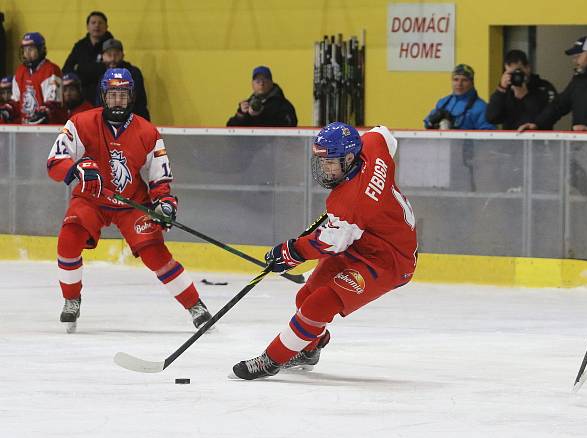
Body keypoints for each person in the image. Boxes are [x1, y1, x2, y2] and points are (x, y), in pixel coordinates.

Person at [230, 122, 418, 380]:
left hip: (389, 260)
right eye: (322, 160)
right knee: (305, 297)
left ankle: (271, 360)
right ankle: (310, 348)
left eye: (330, 162)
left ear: (350, 157)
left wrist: (290, 252)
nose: (325, 168)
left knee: (319, 304)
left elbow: (331, 243)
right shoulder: (373, 145)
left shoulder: (350, 201)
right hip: (364, 241)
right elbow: (385, 132)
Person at [45, 68, 213, 333]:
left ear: (131, 97)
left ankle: (195, 306)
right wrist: (77, 168)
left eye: (123, 95)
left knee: (155, 254)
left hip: (130, 202)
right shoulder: (80, 123)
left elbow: (160, 179)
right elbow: (54, 162)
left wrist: (164, 204)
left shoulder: (148, 132)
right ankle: (71, 299)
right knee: (69, 238)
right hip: (92, 198)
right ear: (103, 96)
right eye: (112, 95)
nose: (118, 101)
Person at [525, 36, 587, 131]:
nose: (575, 60)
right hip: (581, 139)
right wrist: (537, 124)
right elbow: (560, 104)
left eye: (578, 56)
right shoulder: (579, 77)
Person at [485, 50, 557, 130]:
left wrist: (526, 96)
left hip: (538, 138)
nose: (516, 76)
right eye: (511, 73)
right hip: (512, 139)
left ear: (528, 68)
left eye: (518, 71)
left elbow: (551, 115)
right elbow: (491, 118)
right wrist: (501, 89)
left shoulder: (544, 87)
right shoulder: (506, 90)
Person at [12, 32, 66, 125]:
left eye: (31, 49)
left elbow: (53, 104)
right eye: (25, 49)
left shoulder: (51, 70)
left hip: (49, 129)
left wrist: (43, 113)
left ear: (41, 49)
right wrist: (8, 109)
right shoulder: (20, 71)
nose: (27, 53)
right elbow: (16, 102)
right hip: (26, 128)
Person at [63, 11, 114, 106]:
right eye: (93, 23)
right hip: (82, 95)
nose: (97, 26)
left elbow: (110, 70)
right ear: (87, 27)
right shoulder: (80, 46)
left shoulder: (112, 46)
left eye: (100, 23)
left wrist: (82, 71)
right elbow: (67, 69)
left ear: (106, 27)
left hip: (104, 94)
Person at [423, 64, 495, 130]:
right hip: (443, 144)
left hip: (467, 144)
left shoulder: (481, 107)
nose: (459, 84)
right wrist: (431, 123)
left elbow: (488, 137)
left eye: (464, 80)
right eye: (456, 80)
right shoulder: (443, 102)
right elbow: (427, 124)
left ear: (472, 83)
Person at [226, 66, 298, 127]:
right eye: (258, 81)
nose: (261, 84)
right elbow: (230, 129)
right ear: (252, 84)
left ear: (271, 83)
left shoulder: (282, 105)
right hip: (251, 143)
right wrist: (241, 115)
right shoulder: (248, 104)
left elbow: (289, 125)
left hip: (274, 144)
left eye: (265, 81)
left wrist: (261, 114)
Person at [102, 39, 150, 120]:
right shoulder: (101, 75)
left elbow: (135, 101)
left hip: (134, 119)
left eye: (116, 54)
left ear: (122, 55)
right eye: (109, 55)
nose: (113, 58)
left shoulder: (133, 73)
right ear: (103, 56)